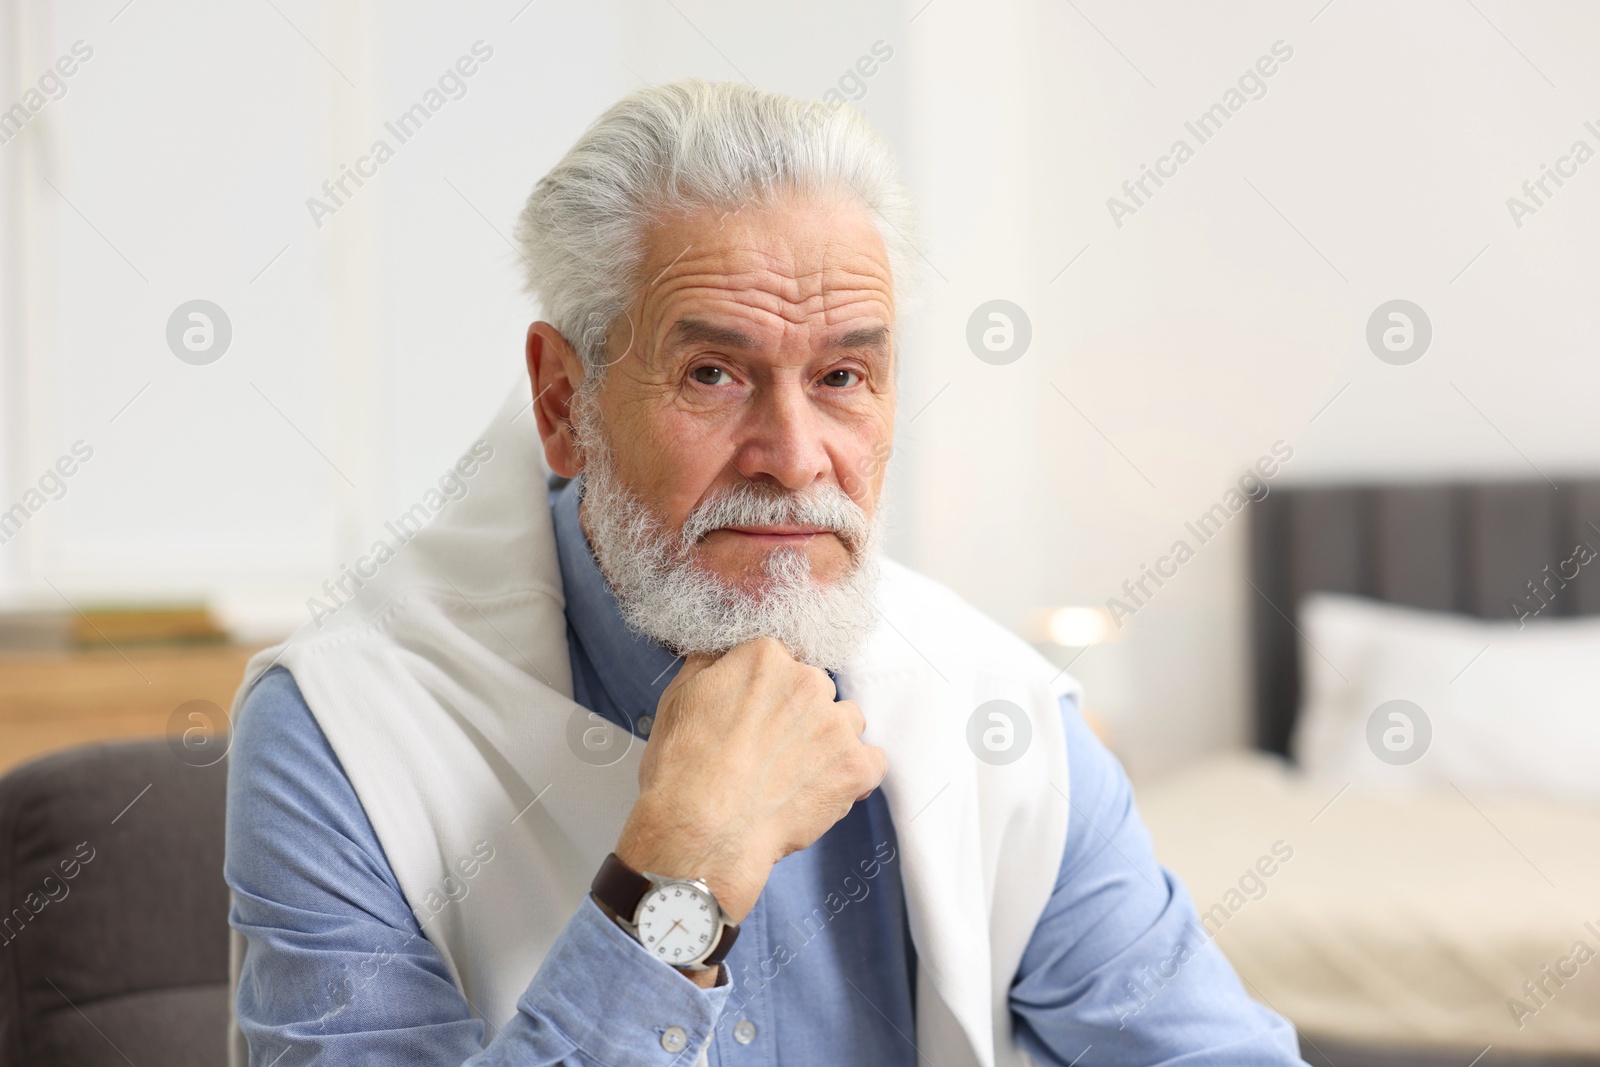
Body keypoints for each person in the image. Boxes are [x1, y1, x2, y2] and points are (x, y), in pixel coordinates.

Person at [224, 79, 1307, 1066]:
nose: (794, 458)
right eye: (711, 373)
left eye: (842, 374)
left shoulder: (993, 709)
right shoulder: (341, 727)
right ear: (565, 402)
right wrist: (680, 869)